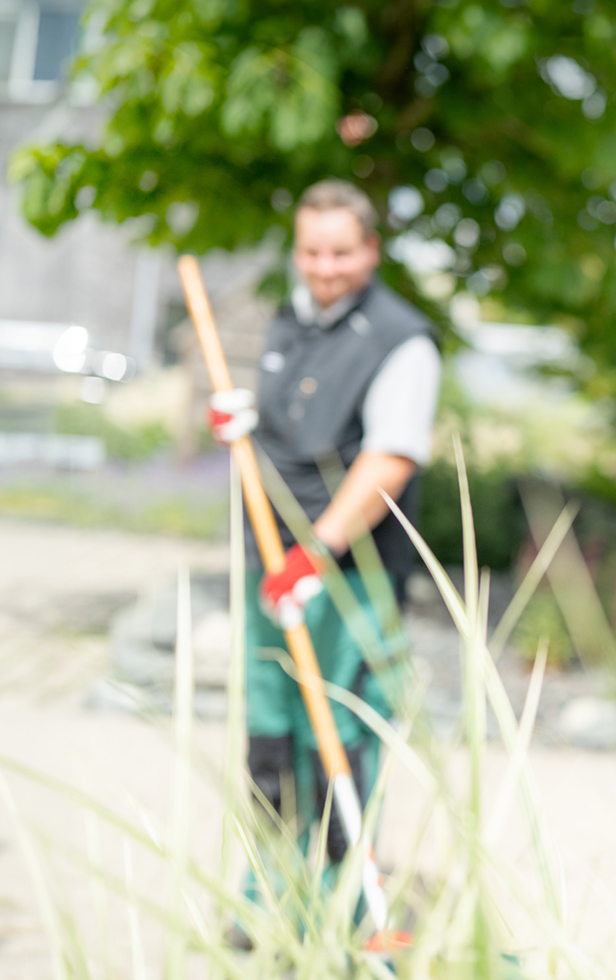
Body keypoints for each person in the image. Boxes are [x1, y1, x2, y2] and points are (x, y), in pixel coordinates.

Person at [206, 179, 441, 918]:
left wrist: (319, 550)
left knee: (338, 731)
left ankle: (341, 902)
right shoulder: (292, 318)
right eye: (312, 251)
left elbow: (389, 460)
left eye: (342, 252)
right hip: (270, 565)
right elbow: (293, 433)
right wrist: (245, 426)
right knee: (271, 727)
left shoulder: (403, 342)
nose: (326, 266)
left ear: (370, 250)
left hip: (348, 573)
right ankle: (268, 888)